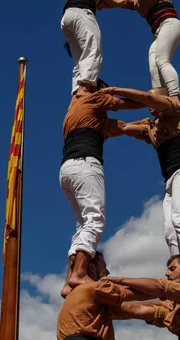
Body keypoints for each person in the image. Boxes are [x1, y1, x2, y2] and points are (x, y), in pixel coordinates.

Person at [101, 86, 180, 285]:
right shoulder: (152, 127)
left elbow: (143, 98)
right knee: (170, 229)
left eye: (153, 97)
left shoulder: (176, 110)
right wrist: (95, 119)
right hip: (170, 180)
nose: (148, 102)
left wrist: (115, 90)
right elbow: (123, 128)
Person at [59, 82, 142, 297]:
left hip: (67, 170)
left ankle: (69, 281)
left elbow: (123, 127)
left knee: (83, 225)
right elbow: (133, 104)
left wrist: (145, 126)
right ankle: (78, 273)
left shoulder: (85, 115)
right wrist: (114, 91)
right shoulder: (93, 99)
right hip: (86, 165)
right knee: (95, 221)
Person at [96, 0, 180, 97]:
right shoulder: (139, 0)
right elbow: (118, 2)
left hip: (170, 23)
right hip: (158, 32)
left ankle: (175, 96)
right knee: (153, 67)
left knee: (161, 60)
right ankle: (161, 100)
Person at [61, 0, 147, 96]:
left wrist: (126, 2)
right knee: (93, 47)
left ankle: (76, 93)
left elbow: (108, 1)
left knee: (80, 58)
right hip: (81, 13)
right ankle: (85, 87)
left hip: (68, 17)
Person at [105, 255, 180, 340]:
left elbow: (160, 288)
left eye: (172, 269)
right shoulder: (174, 308)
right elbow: (137, 310)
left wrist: (120, 281)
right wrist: (103, 304)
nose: (167, 273)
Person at [57, 251, 156, 340]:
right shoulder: (96, 288)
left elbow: (132, 309)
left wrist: (160, 304)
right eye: (104, 267)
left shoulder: (79, 297)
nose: (107, 272)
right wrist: (166, 289)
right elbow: (138, 294)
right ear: (92, 268)